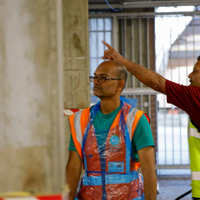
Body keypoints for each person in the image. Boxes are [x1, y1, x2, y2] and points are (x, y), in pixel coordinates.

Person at [102, 41, 200, 200]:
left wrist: (123, 61)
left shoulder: (196, 97)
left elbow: (158, 83)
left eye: (195, 72)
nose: (190, 75)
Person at [66, 60, 157, 200]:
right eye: (95, 77)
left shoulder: (136, 119)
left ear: (120, 84)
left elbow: (149, 171)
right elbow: (73, 168)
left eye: (103, 78)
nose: (96, 82)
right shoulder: (80, 120)